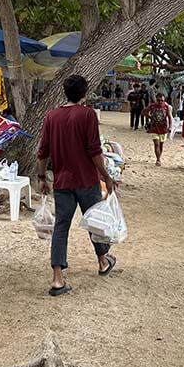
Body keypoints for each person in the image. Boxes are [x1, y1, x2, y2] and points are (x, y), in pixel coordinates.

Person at [36, 74, 118, 297]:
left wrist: (42, 177)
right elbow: (94, 150)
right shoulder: (87, 114)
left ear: (65, 92)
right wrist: (106, 176)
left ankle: (57, 278)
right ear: (84, 92)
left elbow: (43, 151)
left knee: (61, 227)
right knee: (95, 222)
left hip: (62, 181)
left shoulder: (52, 116)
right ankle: (102, 261)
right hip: (86, 180)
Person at [144, 92, 172, 167]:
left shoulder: (166, 106)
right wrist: (150, 117)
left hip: (163, 128)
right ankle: (158, 159)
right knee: (156, 144)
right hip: (154, 128)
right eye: (158, 100)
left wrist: (170, 127)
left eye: (162, 100)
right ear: (156, 100)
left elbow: (169, 117)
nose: (160, 102)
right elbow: (144, 111)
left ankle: (159, 157)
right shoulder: (152, 106)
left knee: (161, 144)